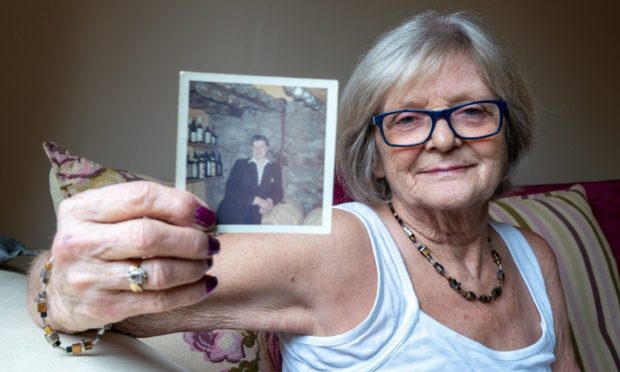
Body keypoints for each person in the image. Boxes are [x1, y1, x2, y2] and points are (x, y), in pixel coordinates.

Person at [28, 11, 579, 371]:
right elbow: (107, 305)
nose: (443, 137)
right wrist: (62, 285)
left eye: (474, 111)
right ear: (376, 156)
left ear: (508, 133)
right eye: (408, 120)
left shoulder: (535, 256)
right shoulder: (339, 248)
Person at [216, 134, 283, 224]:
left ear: (267, 148)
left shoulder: (274, 168)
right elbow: (230, 190)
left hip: (255, 214)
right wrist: (258, 200)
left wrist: (269, 202)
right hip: (232, 212)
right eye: (255, 147)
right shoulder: (240, 164)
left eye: (261, 147)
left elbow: (278, 191)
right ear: (251, 148)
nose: (258, 150)